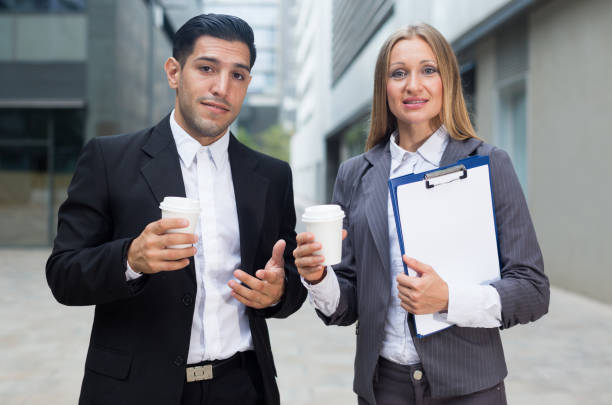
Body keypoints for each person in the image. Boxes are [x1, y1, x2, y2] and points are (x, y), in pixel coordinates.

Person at [46, 14, 306, 405]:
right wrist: (130, 258)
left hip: (241, 386)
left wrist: (278, 291)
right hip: (136, 389)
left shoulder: (272, 176)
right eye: (206, 68)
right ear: (174, 72)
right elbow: (63, 275)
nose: (221, 87)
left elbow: (289, 281)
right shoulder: (109, 159)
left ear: (248, 85)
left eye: (238, 75)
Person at [294, 23, 549, 405]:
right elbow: (347, 303)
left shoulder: (488, 163)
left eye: (428, 70)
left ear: (448, 80)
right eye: (399, 73)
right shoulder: (355, 174)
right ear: (385, 88)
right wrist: (317, 276)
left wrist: (448, 299)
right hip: (383, 387)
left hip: (469, 387)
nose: (413, 85)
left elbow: (532, 290)